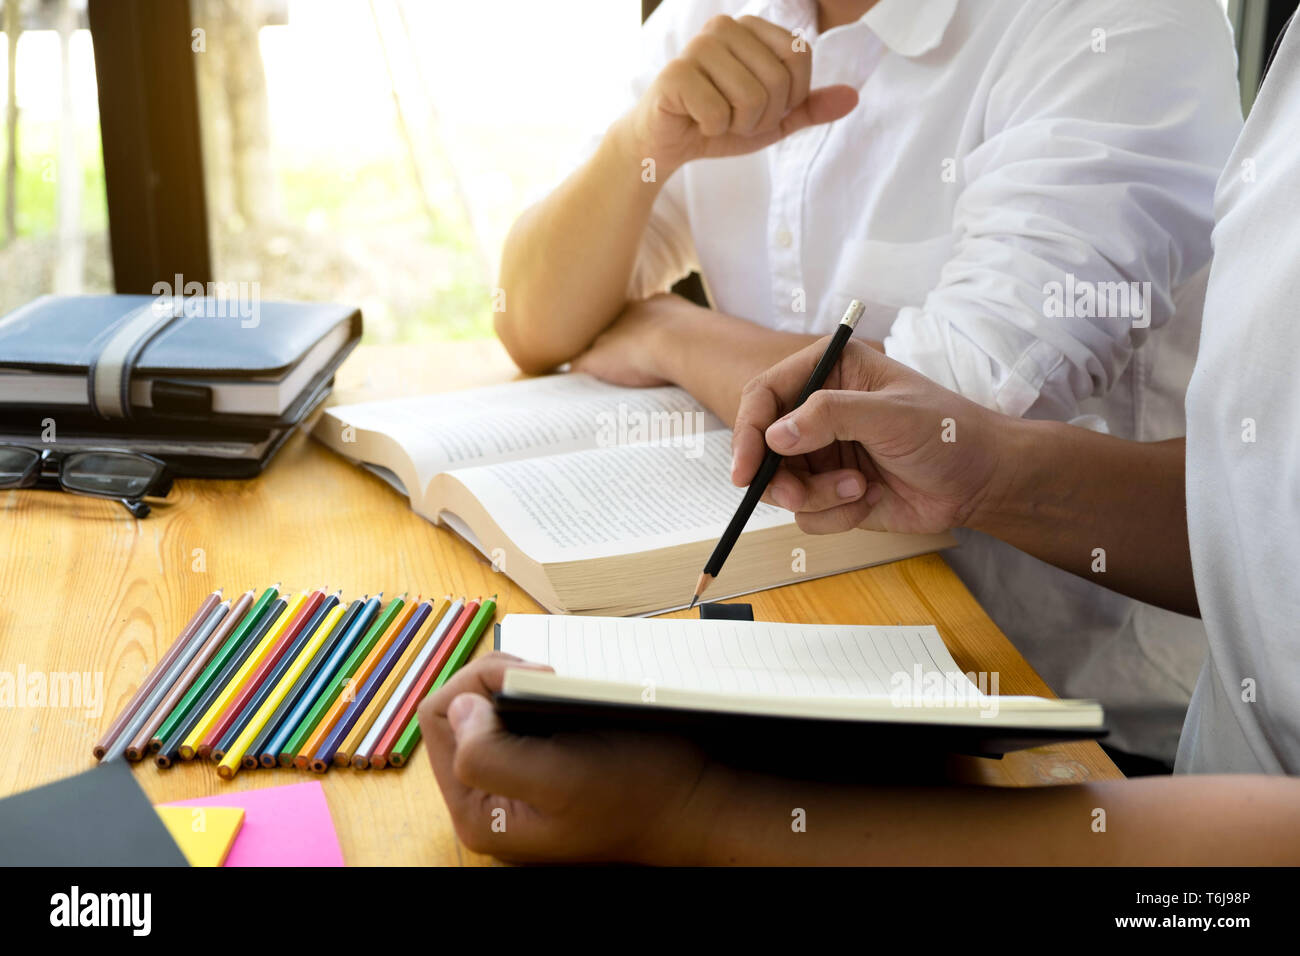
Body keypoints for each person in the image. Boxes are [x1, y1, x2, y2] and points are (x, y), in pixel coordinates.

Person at [417, 13, 1300, 864]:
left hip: (1072, 732)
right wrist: (640, 144)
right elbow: (534, 319)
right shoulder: (721, 17)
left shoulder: (1117, 23)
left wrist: (665, 335)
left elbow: (934, 408)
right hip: (841, 669)